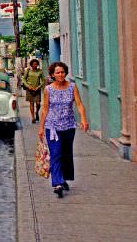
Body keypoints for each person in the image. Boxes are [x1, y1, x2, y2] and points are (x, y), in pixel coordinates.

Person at [37, 61, 89, 198]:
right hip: (52, 127)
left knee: (66, 154)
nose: (60, 74)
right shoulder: (48, 89)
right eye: (57, 72)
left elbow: (79, 104)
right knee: (56, 154)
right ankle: (57, 183)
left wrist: (84, 119)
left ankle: (64, 178)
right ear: (53, 75)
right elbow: (45, 109)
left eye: (62, 72)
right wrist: (41, 127)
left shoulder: (72, 87)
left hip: (69, 126)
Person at [22, 59, 45, 123]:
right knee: (31, 103)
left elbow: (43, 80)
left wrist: (39, 87)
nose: (35, 65)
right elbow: (23, 79)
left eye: (36, 64)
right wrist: (28, 86)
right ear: (31, 64)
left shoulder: (40, 71)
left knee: (38, 103)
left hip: (37, 89)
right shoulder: (28, 71)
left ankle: (37, 112)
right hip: (29, 89)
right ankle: (33, 117)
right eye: (34, 64)